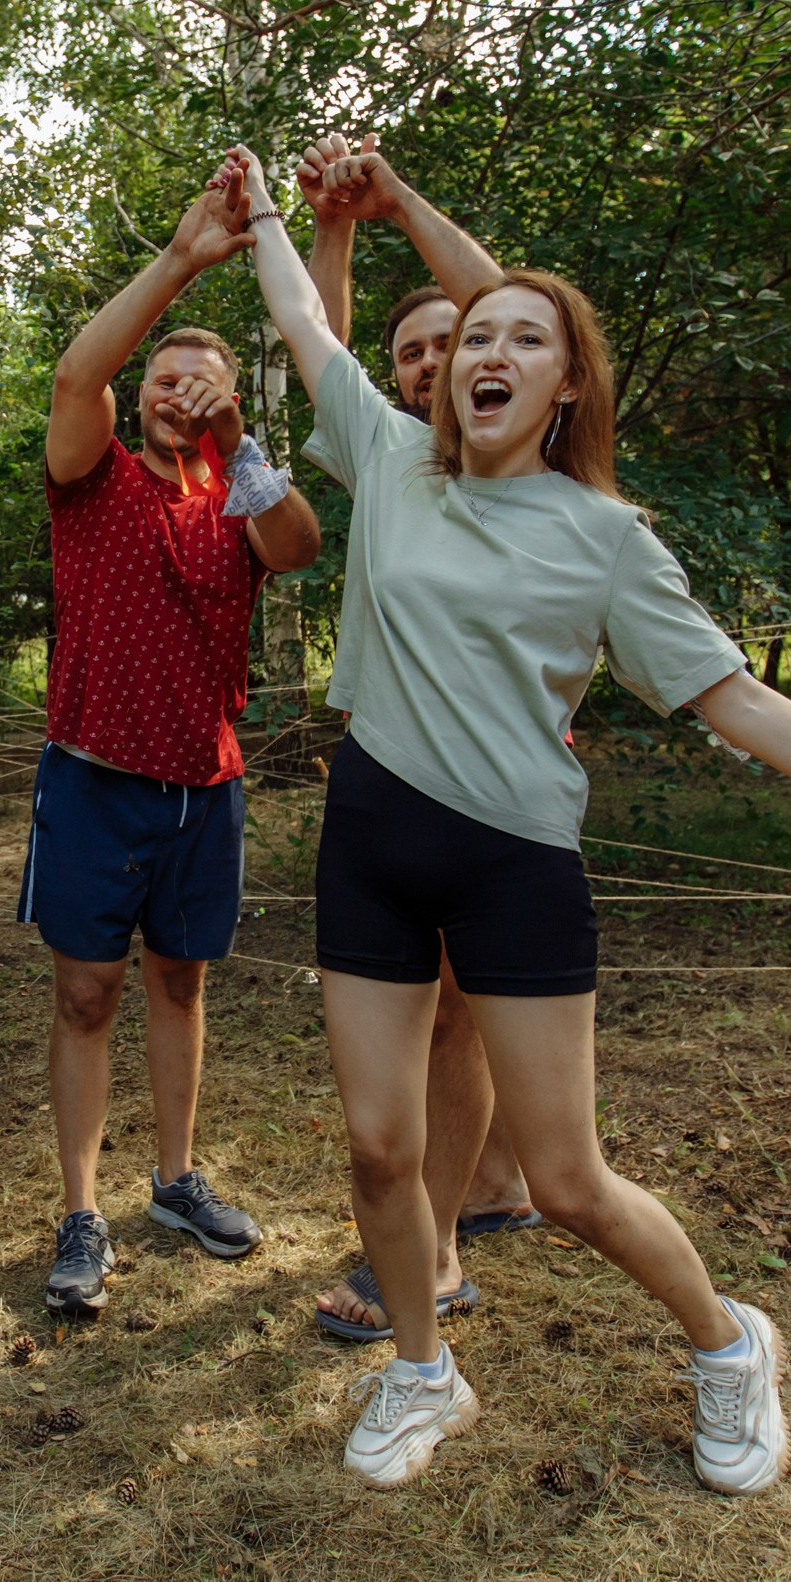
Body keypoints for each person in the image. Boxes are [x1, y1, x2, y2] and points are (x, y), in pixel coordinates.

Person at [220, 140, 791, 1493]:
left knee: (565, 1182)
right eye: (474, 336)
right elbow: (294, 309)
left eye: (525, 338)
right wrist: (266, 202)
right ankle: (419, 1364)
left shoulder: (606, 537)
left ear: (566, 388)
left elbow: (735, 698)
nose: (487, 351)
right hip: (371, 844)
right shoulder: (391, 460)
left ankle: (731, 1339)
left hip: (515, 868)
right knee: (380, 1148)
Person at [28, 183, 322, 1313]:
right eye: (162, 379)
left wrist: (235, 440)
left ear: (227, 403)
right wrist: (184, 265)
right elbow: (73, 378)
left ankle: (173, 1180)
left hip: (206, 786)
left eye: (198, 384)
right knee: (86, 995)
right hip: (93, 778)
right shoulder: (91, 478)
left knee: (180, 981)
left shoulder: (236, 496)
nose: (176, 396)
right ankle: (79, 1211)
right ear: (136, 395)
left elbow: (293, 550)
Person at [291, 135, 539, 1347]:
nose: (434, 362)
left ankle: (438, 1242)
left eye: (455, 342)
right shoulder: (387, 460)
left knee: (461, 1005)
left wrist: (394, 201)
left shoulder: (527, 460)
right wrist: (333, 223)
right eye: (412, 353)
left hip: (501, 788)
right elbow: (319, 351)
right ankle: (460, 1205)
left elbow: (512, 311)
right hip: (392, 776)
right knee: (437, 1006)